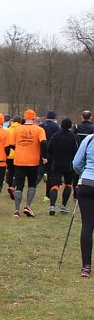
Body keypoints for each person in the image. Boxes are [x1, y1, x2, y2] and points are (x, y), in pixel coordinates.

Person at [8, 109, 47, 217]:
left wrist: (20, 149)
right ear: (34, 118)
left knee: (19, 185)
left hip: (19, 160)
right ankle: (28, 206)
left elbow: (11, 144)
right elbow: (44, 143)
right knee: (32, 184)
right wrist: (44, 156)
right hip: (33, 161)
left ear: (24, 118)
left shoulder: (17, 129)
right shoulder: (39, 130)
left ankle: (16, 210)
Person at [73, 132, 94, 277]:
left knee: (87, 225)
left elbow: (76, 163)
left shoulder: (89, 138)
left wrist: (84, 173)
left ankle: (86, 266)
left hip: (87, 183)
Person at [47, 118, 78, 215]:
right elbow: (76, 151)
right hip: (68, 164)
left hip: (56, 163)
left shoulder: (55, 136)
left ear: (61, 125)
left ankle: (52, 206)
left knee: (55, 185)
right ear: (70, 126)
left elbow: (49, 149)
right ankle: (63, 206)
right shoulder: (73, 137)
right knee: (68, 184)